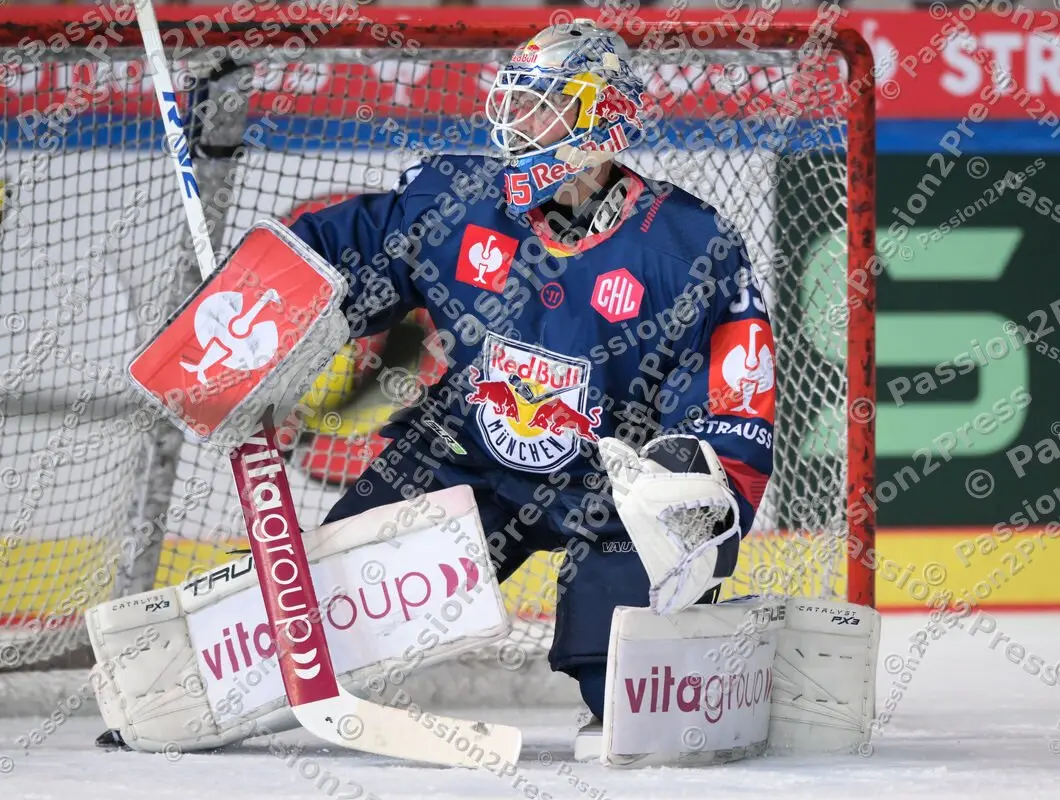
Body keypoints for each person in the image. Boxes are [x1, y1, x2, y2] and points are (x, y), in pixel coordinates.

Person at [286, 18, 775, 728]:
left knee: (635, 698)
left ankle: (673, 663)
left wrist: (689, 491)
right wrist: (263, 303)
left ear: (601, 117)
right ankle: (209, 684)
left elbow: (734, 402)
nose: (517, 121)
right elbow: (343, 250)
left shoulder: (688, 247)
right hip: (464, 465)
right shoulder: (455, 201)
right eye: (515, 101)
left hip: (610, 491)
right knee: (318, 618)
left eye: (542, 104)